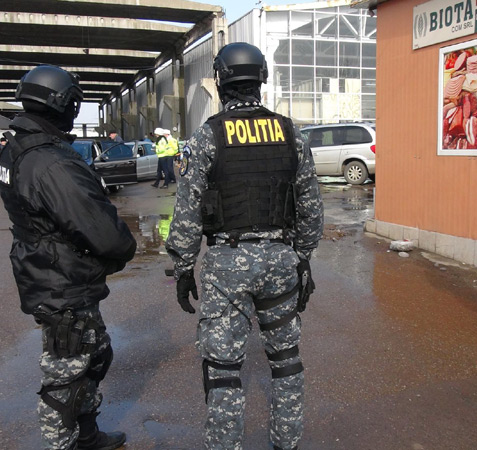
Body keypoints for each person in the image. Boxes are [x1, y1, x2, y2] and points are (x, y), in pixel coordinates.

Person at [165, 42, 323, 450]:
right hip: (281, 260)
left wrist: (183, 268)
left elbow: (187, 211)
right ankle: (286, 441)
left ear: (221, 82)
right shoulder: (291, 133)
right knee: (285, 360)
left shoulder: (208, 135)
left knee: (223, 369)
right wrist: (302, 257)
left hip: (227, 264)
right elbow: (311, 207)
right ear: (261, 79)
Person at [0, 65, 137, 450]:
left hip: (48, 269)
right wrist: (121, 251)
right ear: (66, 105)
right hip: (61, 280)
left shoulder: (15, 146)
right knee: (66, 374)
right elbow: (104, 234)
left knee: (95, 355)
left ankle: (87, 435)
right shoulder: (50, 161)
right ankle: (64, 443)